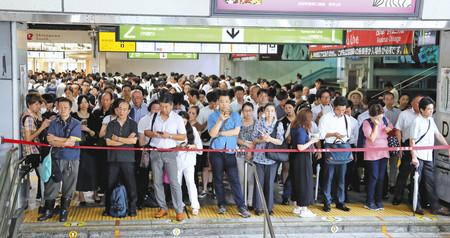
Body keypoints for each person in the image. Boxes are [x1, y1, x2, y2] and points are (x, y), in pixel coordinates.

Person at [207, 90, 251, 218]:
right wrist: (220, 120)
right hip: (216, 151)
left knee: (234, 179)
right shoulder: (213, 116)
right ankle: (221, 204)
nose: (224, 104)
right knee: (218, 179)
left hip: (230, 151)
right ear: (218, 102)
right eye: (221, 101)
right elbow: (211, 134)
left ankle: (241, 206)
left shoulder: (236, 116)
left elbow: (236, 131)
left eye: (226, 101)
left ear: (230, 102)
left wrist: (221, 133)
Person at [144, 93, 187, 222]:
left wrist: (169, 136)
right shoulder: (154, 116)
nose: (164, 109)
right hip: (156, 152)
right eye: (162, 106)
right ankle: (162, 207)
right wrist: (155, 134)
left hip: (171, 152)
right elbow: (146, 132)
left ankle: (179, 210)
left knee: (174, 182)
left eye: (166, 106)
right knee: (157, 182)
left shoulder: (177, 119)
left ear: (172, 105)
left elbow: (183, 136)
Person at [39, 97, 81, 222]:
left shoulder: (76, 123)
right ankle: (48, 210)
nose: (63, 109)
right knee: (52, 185)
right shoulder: (53, 123)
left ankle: (64, 211)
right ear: (57, 107)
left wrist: (58, 140)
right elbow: (50, 140)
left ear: (70, 108)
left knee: (69, 185)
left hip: (72, 158)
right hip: (55, 158)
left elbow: (71, 143)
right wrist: (64, 141)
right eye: (61, 107)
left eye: (66, 107)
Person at [409, 97, 450, 216]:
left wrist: (447, 147)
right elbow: (412, 141)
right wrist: (414, 157)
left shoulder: (431, 120)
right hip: (419, 156)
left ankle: (435, 206)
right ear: (421, 110)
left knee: (430, 182)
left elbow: (437, 134)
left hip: (428, 156)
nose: (431, 111)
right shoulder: (416, 121)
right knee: (417, 181)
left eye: (432, 109)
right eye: (428, 109)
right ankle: (416, 205)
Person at [103, 99, 138, 217]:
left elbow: (134, 140)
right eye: (120, 109)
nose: (122, 111)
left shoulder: (133, 124)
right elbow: (108, 142)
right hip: (113, 159)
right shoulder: (111, 124)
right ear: (116, 110)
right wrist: (126, 141)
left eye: (124, 109)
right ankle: (108, 208)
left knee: (131, 185)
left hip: (128, 159)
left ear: (129, 111)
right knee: (109, 184)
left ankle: (132, 208)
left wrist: (117, 139)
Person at [319, 96, 353, 212]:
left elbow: (349, 135)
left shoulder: (347, 118)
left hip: (343, 147)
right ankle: (327, 202)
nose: (341, 112)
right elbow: (321, 135)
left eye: (343, 110)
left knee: (342, 178)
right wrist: (333, 134)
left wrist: (342, 137)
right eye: (339, 110)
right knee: (328, 176)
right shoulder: (325, 118)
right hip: (330, 147)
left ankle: (340, 201)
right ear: (333, 107)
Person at [252, 103, 284, 215]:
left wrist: (269, 138)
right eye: (267, 110)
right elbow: (253, 138)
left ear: (274, 112)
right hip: (258, 157)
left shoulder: (278, 124)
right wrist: (262, 140)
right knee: (258, 182)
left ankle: (269, 208)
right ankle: (258, 207)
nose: (269, 113)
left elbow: (280, 141)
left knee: (270, 183)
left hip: (272, 158)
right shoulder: (259, 123)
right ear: (264, 112)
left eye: (271, 110)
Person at [392, 95, 423, 205]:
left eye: (421, 103)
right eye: (417, 103)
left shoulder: (426, 115)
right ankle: (398, 196)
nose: (419, 105)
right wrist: (400, 146)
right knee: (404, 173)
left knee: (418, 175)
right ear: (412, 103)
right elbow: (398, 130)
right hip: (407, 145)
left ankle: (413, 198)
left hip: (421, 146)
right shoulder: (404, 114)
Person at [362, 104, 393, 211]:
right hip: (371, 153)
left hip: (384, 152)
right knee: (373, 177)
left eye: (380, 116)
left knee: (381, 178)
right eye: (376, 117)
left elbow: (391, 128)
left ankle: (378, 200)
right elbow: (372, 138)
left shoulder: (385, 119)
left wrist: (388, 128)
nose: (379, 119)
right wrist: (375, 125)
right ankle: (369, 201)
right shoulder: (367, 123)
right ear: (371, 115)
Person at [21, 93, 51, 200]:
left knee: (42, 175)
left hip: (37, 150)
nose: (39, 107)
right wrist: (42, 127)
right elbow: (28, 139)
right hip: (33, 152)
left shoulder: (35, 115)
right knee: (43, 175)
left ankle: (41, 196)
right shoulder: (28, 118)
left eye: (39, 104)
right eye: (36, 104)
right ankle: (44, 200)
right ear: (29, 104)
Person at [291, 108, 320, 217]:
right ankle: (304, 208)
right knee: (305, 182)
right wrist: (312, 141)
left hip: (295, 159)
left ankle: (298, 207)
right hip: (302, 158)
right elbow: (300, 147)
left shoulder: (294, 126)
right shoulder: (301, 129)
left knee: (298, 182)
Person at [71, 95, 98, 206]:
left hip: (91, 148)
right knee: (80, 171)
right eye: (81, 102)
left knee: (93, 171)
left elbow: (96, 134)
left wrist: (88, 129)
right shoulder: (73, 117)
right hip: (77, 148)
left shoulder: (93, 117)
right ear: (78, 104)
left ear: (89, 104)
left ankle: (95, 193)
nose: (83, 104)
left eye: (85, 102)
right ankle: (81, 195)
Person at [177, 111, 203, 216]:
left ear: (187, 120)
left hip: (189, 161)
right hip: (176, 160)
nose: (182, 122)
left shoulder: (193, 130)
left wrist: (193, 146)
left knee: (190, 183)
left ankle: (195, 206)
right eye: (180, 120)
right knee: (177, 184)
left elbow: (200, 148)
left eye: (184, 120)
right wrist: (180, 147)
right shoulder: (174, 130)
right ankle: (179, 205)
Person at [136, 100, 161, 209]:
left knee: (158, 177)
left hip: (159, 151)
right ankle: (141, 199)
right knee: (143, 177)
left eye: (158, 108)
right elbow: (141, 140)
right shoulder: (143, 120)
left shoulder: (164, 120)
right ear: (150, 109)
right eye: (154, 108)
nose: (156, 110)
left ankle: (160, 201)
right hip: (146, 151)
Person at [91, 92, 113, 199]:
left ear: (111, 100)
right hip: (99, 145)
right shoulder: (96, 113)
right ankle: (99, 189)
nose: (105, 102)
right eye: (103, 100)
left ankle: (109, 190)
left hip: (111, 145)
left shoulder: (114, 113)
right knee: (99, 167)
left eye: (107, 100)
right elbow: (94, 128)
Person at [197, 91, 218, 198]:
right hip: (206, 143)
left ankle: (213, 188)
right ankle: (204, 188)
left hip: (217, 143)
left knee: (215, 167)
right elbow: (198, 128)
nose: (214, 105)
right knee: (205, 167)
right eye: (212, 102)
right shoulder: (203, 111)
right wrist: (208, 121)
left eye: (216, 102)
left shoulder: (221, 111)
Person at [236, 102, 256, 208]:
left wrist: (251, 150)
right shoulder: (239, 123)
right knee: (241, 178)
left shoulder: (256, 123)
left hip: (253, 154)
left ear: (252, 111)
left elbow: (257, 140)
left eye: (249, 110)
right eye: (245, 111)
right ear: (242, 112)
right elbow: (236, 137)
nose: (247, 113)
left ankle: (250, 201)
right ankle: (242, 201)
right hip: (240, 153)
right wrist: (245, 143)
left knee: (250, 179)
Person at [383, 92, 402, 191]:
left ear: (394, 100)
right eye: (387, 99)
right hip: (383, 140)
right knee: (383, 163)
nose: (389, 101)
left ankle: (392, 184)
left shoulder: (399, 112)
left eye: (391, 99)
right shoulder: (381, 111)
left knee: (393, 163)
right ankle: (384, 183)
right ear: (384, 100)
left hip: (395, 139)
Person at [279, 100, 296, 205]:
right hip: (286, 146)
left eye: (290, 107)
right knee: (286, 169)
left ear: (294, 108)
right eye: (286, 108)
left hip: (298, 148)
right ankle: (285, 194)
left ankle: (294, 193)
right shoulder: (282, 121)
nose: (288, 110)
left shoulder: (299, 119)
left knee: (295, 171)